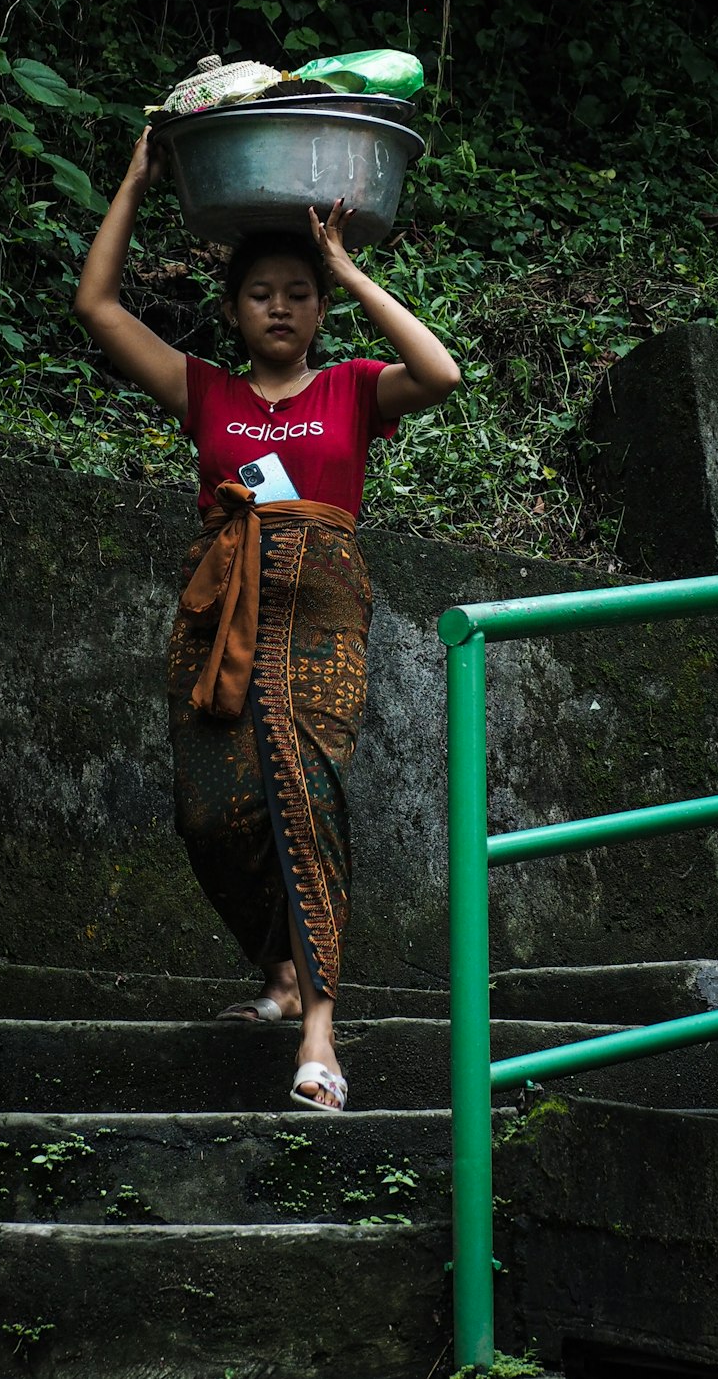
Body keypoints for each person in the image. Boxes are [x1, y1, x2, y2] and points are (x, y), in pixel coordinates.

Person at [74, 126, 460, 1110]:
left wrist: (346, 264)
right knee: (210, 811)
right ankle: (279, 974)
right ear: (235, 310)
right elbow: (97, 306)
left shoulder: (352, 390)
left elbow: (442, 371)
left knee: (305, 796)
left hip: (323, 607)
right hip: (220, 604)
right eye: (261, 292)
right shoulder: (203, 389)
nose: (280, 306)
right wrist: (134, 179)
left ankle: (319, 1035)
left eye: (299, 292)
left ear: (321, 309)